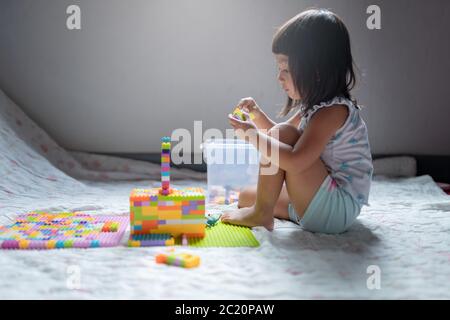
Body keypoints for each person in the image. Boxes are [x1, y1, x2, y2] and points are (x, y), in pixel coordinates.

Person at [222, 8, 373, 234]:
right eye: (278, 67)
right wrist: (256, 114)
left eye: (286, 68)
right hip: (319, 197)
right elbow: (278, 133)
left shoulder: (332, 112)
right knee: (245, 196)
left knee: (283, 142)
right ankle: (263, 208)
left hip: (336, 207)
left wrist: (252, 136)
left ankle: (262, 214)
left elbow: (294, 160)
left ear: (317, 71)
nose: (279, 77)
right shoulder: (314, 107)